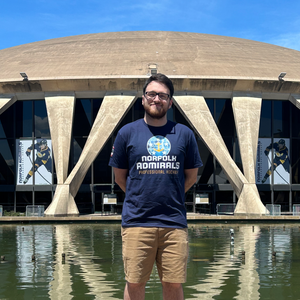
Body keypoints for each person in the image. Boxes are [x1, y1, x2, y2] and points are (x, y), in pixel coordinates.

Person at [109, 73, 203, 300]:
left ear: (170, 102)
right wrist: (140, 195)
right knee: (135, 283)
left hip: (174, 222)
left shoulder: (184, 134)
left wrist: (172, 194)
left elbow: (190, 176)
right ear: (143, 99)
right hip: (137, 222)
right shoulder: (126, 133)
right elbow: (121, 178)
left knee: (173, 284)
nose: (156, 99)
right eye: (151, 94)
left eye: (162, 95)